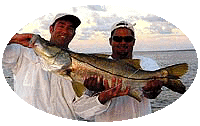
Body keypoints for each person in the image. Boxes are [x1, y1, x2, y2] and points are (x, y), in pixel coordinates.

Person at [3, 13, 83, 119]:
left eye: (70, 28)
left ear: (73, 34)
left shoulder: (80, 64)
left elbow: (84, 107)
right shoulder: (22, 52)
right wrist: (14, 38)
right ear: (51, 29)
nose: (64, 31)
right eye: (61, 26)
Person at [79, 21, 163, 121]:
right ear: (110, 41)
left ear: (134, 42)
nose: (123, 42)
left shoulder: (147, 64)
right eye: (117, 39)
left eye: (128, 39)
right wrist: (101, 95)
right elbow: (80, 110)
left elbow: (152, 95)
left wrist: (152, 90)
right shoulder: (91, 66)